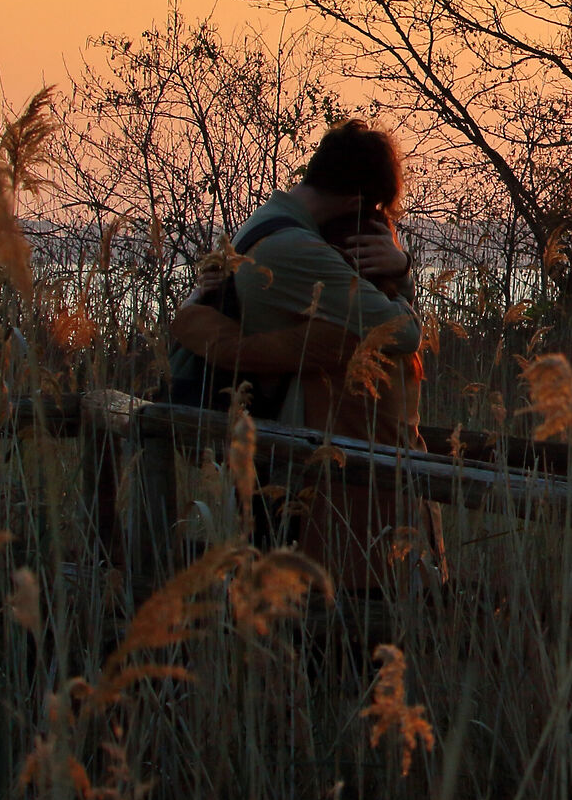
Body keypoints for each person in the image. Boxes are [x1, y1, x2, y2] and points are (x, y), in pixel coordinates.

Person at [167, 120, 430, 592]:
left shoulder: (265, 224)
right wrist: (401, 269)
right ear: (356, 201)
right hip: (307, 469)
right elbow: (403, 332)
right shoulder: (298, 249)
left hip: (284, 460)